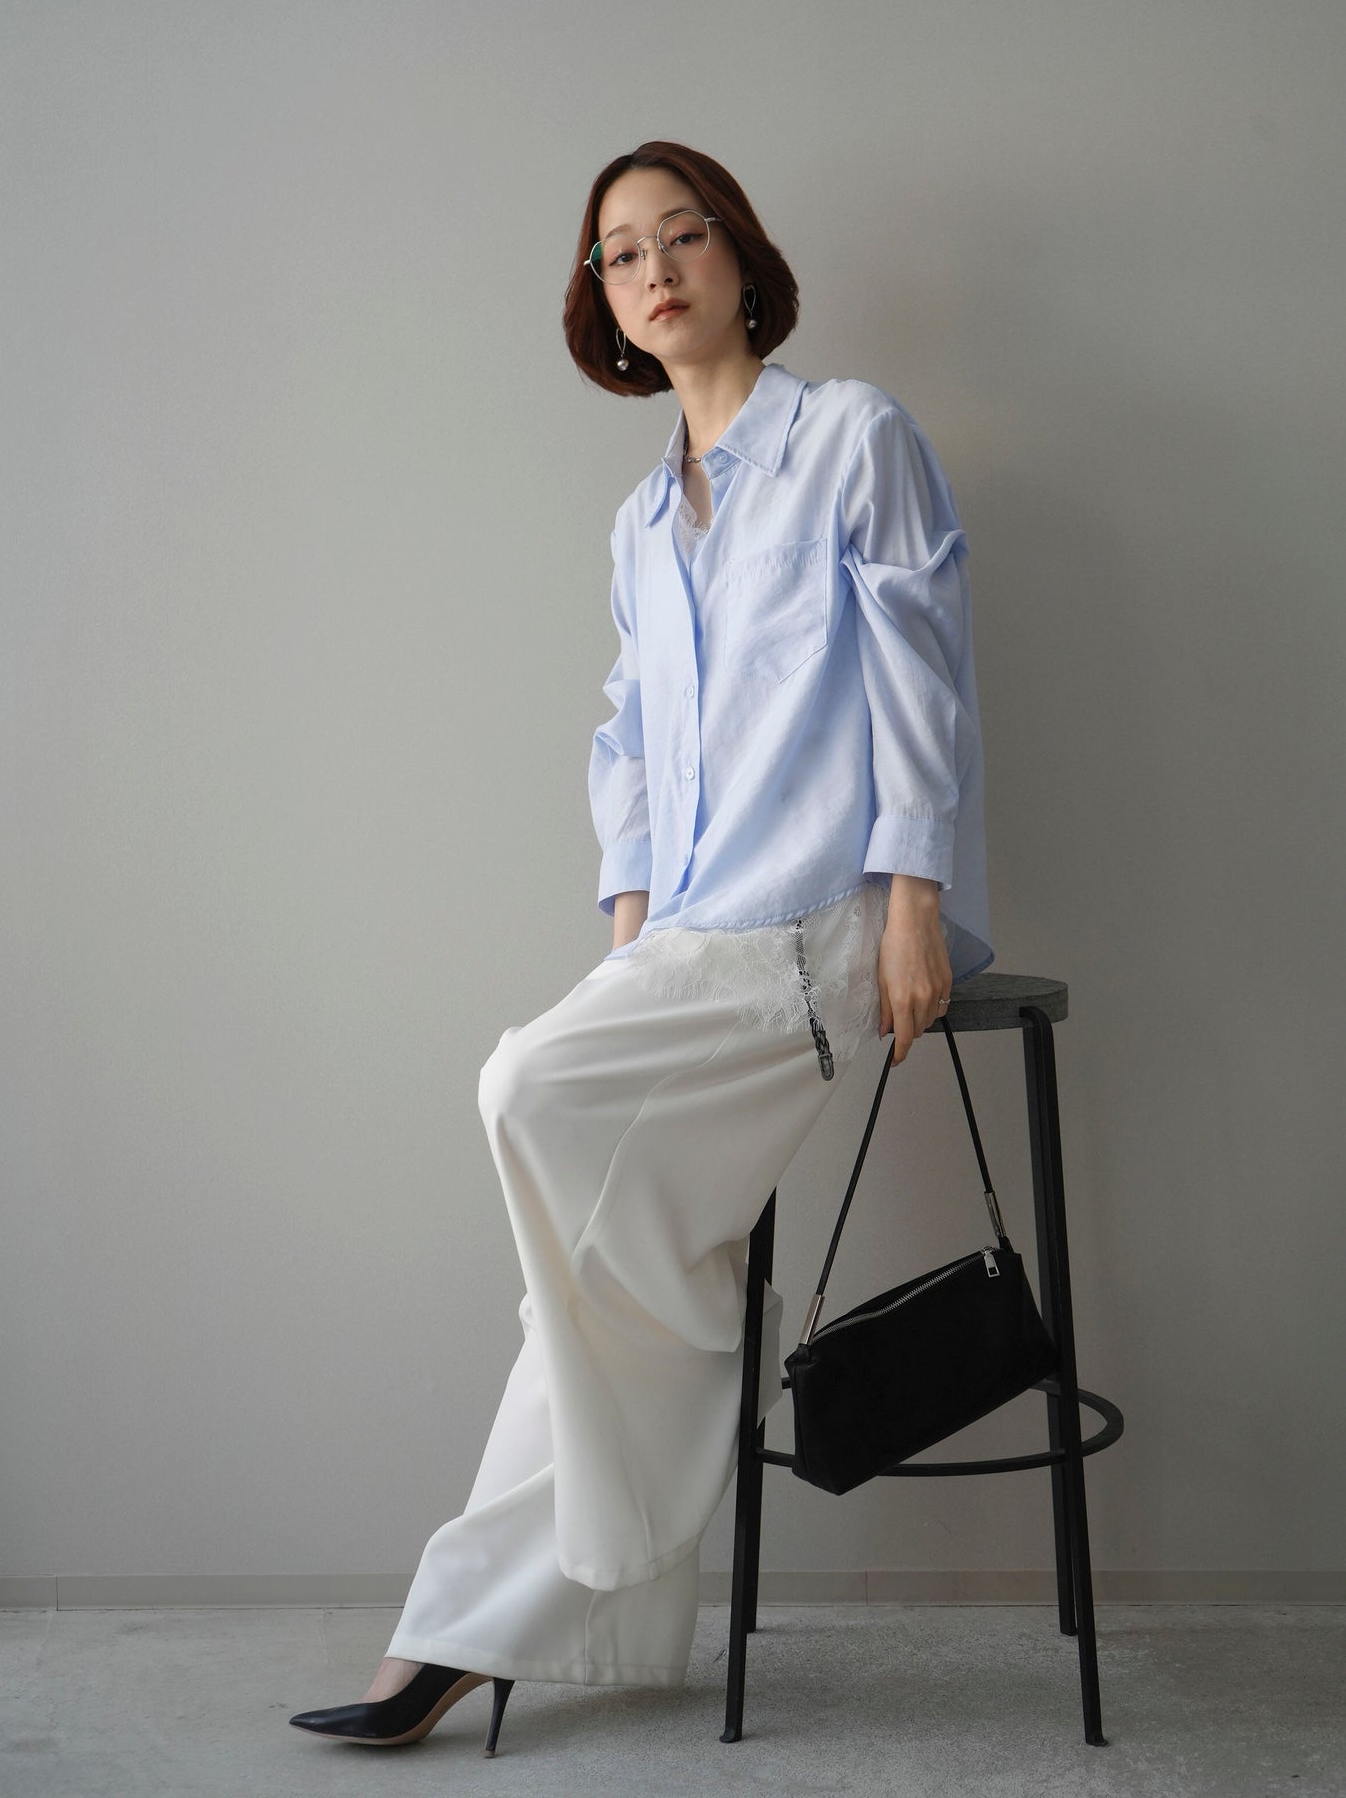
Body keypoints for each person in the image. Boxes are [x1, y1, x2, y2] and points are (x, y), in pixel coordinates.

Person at [289, 139, 993, 1758]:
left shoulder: (853, 437)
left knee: (525, 1091)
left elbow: (923, 668)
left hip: (824, 925)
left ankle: (513, 1606)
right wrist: (629, 928)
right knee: (611, 1272)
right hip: (687, 943)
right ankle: (458, 1640)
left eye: (685, 236)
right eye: (622, 253)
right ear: (601, 301)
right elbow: (626, 739)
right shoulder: (639, 522)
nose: (657, 269)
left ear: (743, 260)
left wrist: (912, 900)